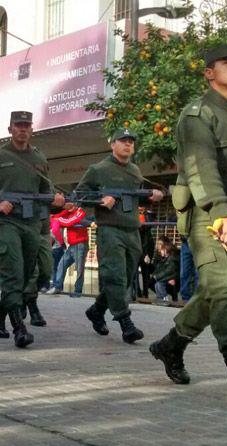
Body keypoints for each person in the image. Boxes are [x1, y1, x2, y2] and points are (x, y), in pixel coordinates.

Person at [149, 44, 227, 406]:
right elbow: (199, 166)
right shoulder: (196, 115)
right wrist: (221, 212)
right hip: (208, 211)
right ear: (209, 72)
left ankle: (170, 346)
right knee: (224, 291)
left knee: (213, 291)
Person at [0, 111, 64, 348]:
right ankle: (19, 327)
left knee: (27, 275)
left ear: (32, 129)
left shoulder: (38, 156)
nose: (22, 129)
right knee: (12, 274)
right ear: (10, 129)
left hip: (31, 224)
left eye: (26, 125)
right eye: (18, 125)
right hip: (7, 222)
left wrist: (56, 200)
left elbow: (44, 190)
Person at [76, 128, 163, 343]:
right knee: (114, 276)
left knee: (124, 279)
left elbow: (137, 198)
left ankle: (97, 310)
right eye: (123, 141)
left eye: (131, 142)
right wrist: (100, 200)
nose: (128, 145)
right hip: (110, 229)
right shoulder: (98, 169)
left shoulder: (134, 170)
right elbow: (79, 195)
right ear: (112, 144)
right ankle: (126, 323)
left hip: (132, 231)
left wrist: (153, 196)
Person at [47, 204, 89, 297]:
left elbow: (67, 222)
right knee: (61, 265)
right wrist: (65, 211)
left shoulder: (80, 212)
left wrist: (59, 219)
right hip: (72, 244)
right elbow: (57, 217)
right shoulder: (68, 213)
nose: (66, 205)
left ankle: (77, 291)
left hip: (80, 243)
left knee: (79, 269)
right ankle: (57, 286)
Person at [151, 235, 179, 304]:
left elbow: (169, 271)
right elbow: (158, 269)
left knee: (159, 284)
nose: (159, 247)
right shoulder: (160, 256)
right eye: (158, 244)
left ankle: (164, 297)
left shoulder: (172, 258)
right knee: (156, 284)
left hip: (173, 278)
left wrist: (157, 277)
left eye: (161, 244)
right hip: (166, 278)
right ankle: (159, 297)